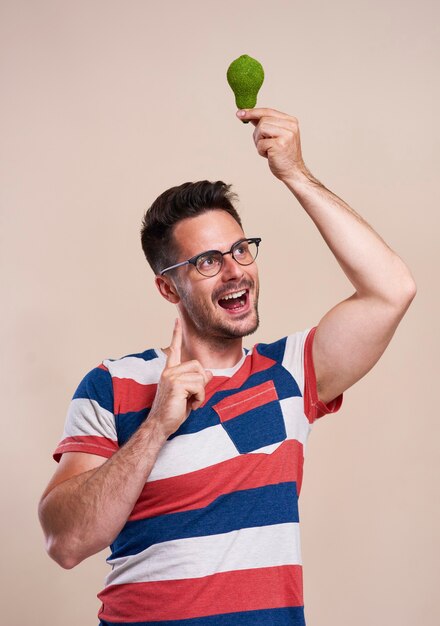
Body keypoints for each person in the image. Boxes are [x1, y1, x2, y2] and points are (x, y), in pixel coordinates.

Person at [38, 108, 416, 626]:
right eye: (208, 261)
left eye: (240, 249)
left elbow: (392, 290)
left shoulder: (290, 372)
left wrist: (295, 174)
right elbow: (66, 541)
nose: (235, 270)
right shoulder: (113, 384)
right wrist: (156, 427)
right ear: (168, 287)